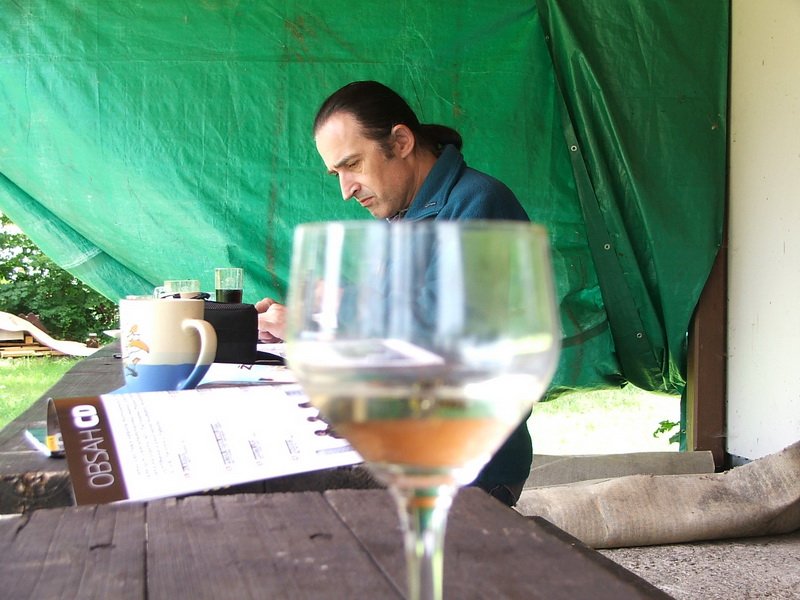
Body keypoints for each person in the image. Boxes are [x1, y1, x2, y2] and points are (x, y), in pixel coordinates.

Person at [257, 80, 532, 506]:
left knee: (285, 502)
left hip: (463, 461)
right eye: (336, 174)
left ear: (401, 142)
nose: (345, 190)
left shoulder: (479, 204)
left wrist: (334, 307)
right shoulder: (403, 217)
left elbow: (443, 336)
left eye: (352, 164)